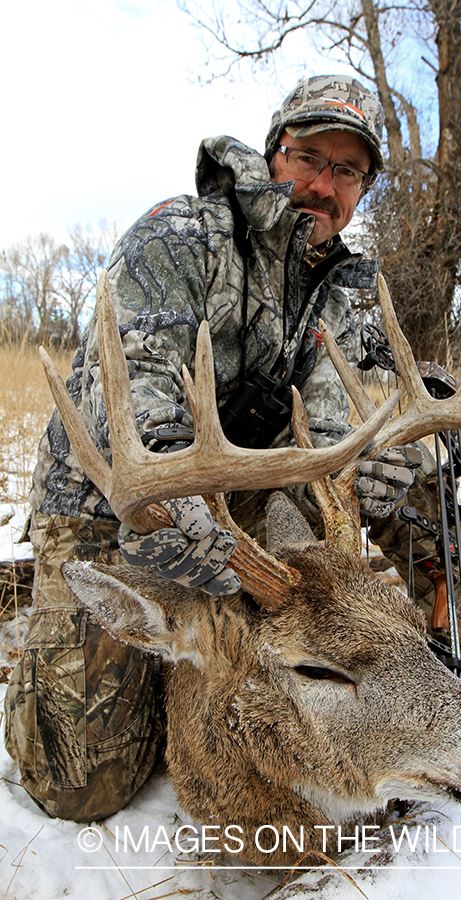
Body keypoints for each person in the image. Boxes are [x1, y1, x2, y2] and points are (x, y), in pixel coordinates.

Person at [4, 75, 422, 822]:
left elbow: (341, 415)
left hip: (244, 517)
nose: (324, 184)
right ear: (273, 155)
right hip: (122, 508)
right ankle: (44, 590)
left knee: (407, 463)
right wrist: (174, 496)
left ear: (362, 187)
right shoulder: (181, 235)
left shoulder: (349, 291)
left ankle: (447, 620)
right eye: (308, 157)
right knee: (79, 785)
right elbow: (130, 376)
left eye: (348, 169)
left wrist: (381, 460)